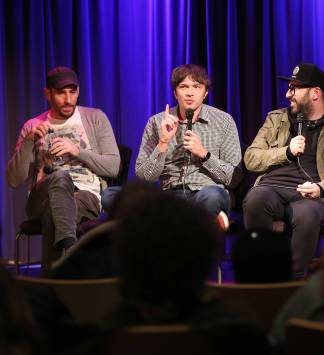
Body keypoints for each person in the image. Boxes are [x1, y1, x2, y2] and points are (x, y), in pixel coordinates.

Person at [243, 63, 324, 276]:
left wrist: (321, 188)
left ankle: (293, 279)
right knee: (255, 198)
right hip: (273, 188)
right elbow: (251, 159)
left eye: (294, 88)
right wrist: (286, 152)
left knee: (306, 212)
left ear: (315, 93)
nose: (288, 94)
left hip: (312, 195)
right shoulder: (276, 119)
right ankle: (261, 274)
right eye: (289, 88)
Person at [7, 67, 120, 269]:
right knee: (60, 178)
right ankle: (71, 261)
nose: (68, 99)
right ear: (48, 93)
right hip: (41, 199)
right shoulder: (32, 126)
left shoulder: (95, 118)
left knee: (55, 214)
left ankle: (53, 280)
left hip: (86, 196)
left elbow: (113, 167)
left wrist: (78, 151)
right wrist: (27, 142)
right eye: (61, 93)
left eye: (73, 92)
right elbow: (14, 180)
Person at [134, 64, 241, 229]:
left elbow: (234, 178)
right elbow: (144, 177)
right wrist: (163, 142)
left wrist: (203, 154)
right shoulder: (156, 122)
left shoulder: (224, 121)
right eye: (183, 87)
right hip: (170, 193)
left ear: (205, 93)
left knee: (210, 198)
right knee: (120, 198)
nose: (190, 93)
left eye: (196, 87)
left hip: (208, 191)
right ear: (175, 93)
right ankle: (206, 224)